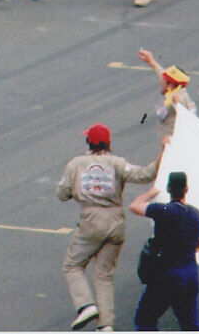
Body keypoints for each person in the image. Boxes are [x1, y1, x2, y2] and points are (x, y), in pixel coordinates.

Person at [56, 123, 163, 332]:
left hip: (91, 220)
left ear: (89, 142)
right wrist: (163, 151)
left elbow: (62, 193)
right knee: (104, 275)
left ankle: (86, 306)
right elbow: (146, 174)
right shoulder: (117, 163)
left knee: (72, 265)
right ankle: (106, 324)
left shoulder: (76, 164)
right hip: (116, 222)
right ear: (108, 143)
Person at [129, 172, 199, 331]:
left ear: (168, 189)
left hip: (165, 275)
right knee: (190, 324)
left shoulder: (163, 211)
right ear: (187, 189)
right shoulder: (198, 216)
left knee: (145, 319)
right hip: (189, 274)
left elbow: (135, 206)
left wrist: (150, 193)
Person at [137, 49, 195, 139]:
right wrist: (150, 61)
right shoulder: (174, 91)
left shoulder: (179, 98)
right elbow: (161, 74)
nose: (160, 80)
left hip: (174, 143)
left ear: (170, 84)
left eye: (163, 79)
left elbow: (187, 119)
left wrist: (178, 104)